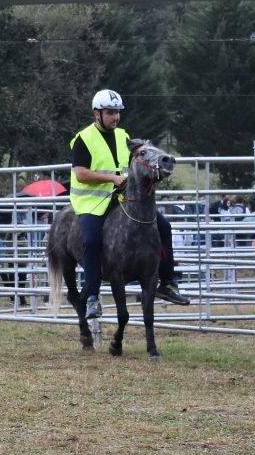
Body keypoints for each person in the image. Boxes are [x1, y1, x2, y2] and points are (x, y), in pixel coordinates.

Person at [70, 89, 191, 320]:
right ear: (97, 114)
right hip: (92, 202)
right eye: (110, 112)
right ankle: (93, 297)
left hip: (124, 196)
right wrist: (113, 179)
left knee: (163, 227)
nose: (115, 117)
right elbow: (81, 174)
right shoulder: (83, 139)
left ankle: (167, 283)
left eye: (117, 112)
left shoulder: (123, 136)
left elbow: (136, 162)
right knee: (91, 239)